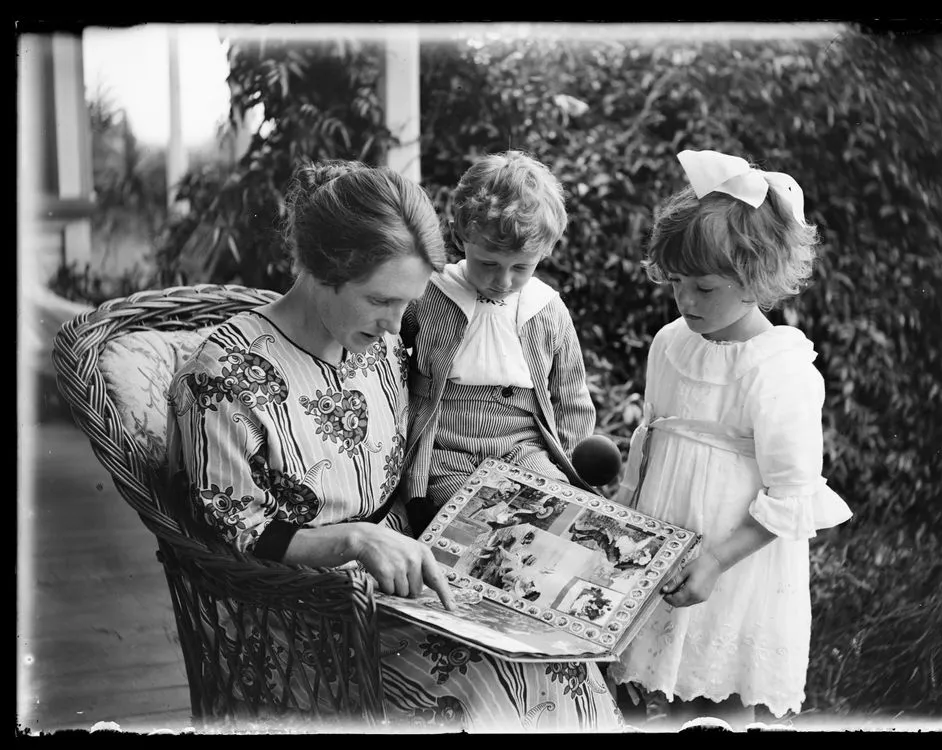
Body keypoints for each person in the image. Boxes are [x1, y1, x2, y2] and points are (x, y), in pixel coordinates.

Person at [166, 159, 624, 733]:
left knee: (561, 665)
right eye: (382, 301)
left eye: (407, 303)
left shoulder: (378, 346)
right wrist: (353, 541)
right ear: (317, 267)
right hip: (301, 619)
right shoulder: (223, 377)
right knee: (496, 697)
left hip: (407, 590)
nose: (396, 324)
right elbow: (224, 533)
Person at [605, 149, 853, 729]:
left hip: (731, 561)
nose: (685, 301)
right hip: (659, 546)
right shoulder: (671, 342)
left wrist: (716, 559)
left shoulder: (779, 369)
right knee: (641, 697)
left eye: (704, 287)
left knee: (713, 702)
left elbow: (792, 496)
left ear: (756, 279)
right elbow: (653, 441)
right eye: (675, 284)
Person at [401, 150, 597, 533]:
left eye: (521, 267)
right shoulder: (430, 295)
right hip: (447, 448)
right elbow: (389, 363)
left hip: (521, 446)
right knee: (470, 521)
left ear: (544, 253)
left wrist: (570, 467)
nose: (503, 281)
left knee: (552, 509)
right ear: (462, 237)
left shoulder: (546, 310)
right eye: (488, 263)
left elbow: (571, 396)